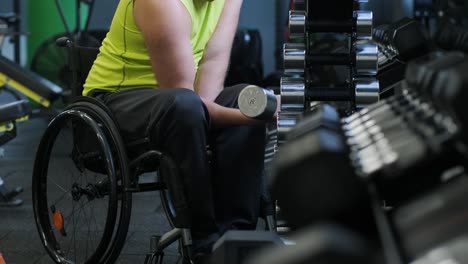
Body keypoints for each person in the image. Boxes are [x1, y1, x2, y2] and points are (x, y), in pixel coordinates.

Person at [83, 0, 274, 261]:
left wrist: (253, 112)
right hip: (113, 108)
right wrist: (253, 118)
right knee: (190, 107)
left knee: (242, 98)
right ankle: (204, 243)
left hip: (178, 103)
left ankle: (234, 237)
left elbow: (212, 65)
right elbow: (185, 100)